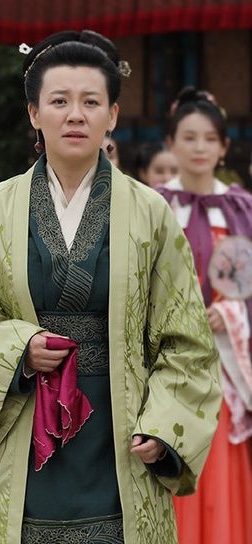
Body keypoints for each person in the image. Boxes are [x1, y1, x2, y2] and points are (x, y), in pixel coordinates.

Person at [0, 30, 221, 543]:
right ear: (34, 113)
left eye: (91, 102)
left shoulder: (151, 213)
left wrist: (165, 425)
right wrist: (19, 349)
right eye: (59, 101)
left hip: (122, 433)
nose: (75, 115)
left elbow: (188, 339)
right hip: (25, 429)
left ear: (112, 115)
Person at [157, 87, 252, 544]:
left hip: (226, 363)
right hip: (168, 362)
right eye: (189, 137)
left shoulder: (242, 208)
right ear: (170, 142)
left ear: (224, 146)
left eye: (210, 139)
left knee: (220, 473)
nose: (199, 148)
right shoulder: (154, 206)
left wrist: (231, 312)